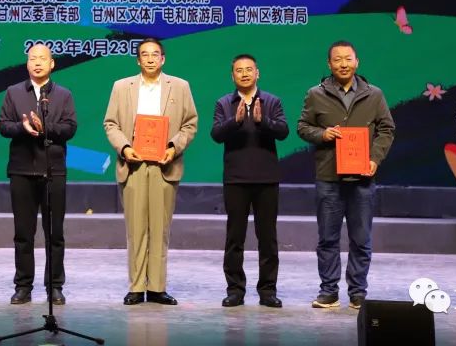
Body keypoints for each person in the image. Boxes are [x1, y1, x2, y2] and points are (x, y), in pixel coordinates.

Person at [297, 40, 395, 311]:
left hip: (362, 178)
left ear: (357, 62)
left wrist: (375, 159)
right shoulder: (315, 94)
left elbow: (387, 129)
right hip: (329, 178)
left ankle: (358, 292)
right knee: (327, 239)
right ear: (329, 64)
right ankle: (329, 291)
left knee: (361, 239)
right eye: (337, 59)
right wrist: (323, 134)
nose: (343, 64)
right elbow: (303, 127)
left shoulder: (374, 94)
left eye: (348, 59)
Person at [103, 37, 198, 306]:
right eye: (144, 54)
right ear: (138, 60)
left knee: (160, 228)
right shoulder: (122, 87)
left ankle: (157, 288)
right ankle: (136, 287)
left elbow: (190, 123)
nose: (150, 58)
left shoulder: (180, 86)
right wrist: (124, 147)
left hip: (164, 164)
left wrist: (173, 147)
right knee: (136, 229)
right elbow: (110, 123)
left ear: (163, 58)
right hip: (133, 164)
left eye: (155, 54)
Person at [0, 43, 78, 306]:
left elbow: (70, 128)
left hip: (54, 171)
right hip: (21, 170)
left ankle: (54, 286)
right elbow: (4, 126)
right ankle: (23, 286)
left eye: (43, 58)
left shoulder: (63, 95)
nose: (38, 63)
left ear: (52, 63)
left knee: (55, 234)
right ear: (27, 63)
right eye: (33, 58)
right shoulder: (13, 92)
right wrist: (22, 128)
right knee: (23, 233)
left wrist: (46, 128)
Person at [210, 54, 288, 309]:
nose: (244, 74)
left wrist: (261, 121)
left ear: (257, 73)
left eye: (249, 69)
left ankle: (268, 291)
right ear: (232, 76)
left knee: (268, 238)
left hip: (267, 179)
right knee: (235, 238)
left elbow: (283, 131)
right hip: (236, 179)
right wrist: (235, 121)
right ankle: (235, 290)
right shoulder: (224, 103)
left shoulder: (272, 101)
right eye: (239, 70)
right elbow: (216, 134)